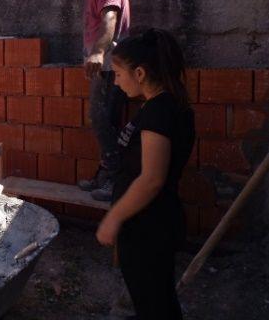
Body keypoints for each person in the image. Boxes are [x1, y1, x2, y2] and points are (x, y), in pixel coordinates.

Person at [96, 28, 195, 320]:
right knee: (154, 299)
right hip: (148, 224)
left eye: (118, 73)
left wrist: (113, 218)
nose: (116, 81)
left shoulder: (159, 113)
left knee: (155, 304)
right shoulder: (161, 106)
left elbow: (151, 179)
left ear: (139, 73)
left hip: (148, 228)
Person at [60, 0, 131, 201]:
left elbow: (110, 16)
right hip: (105, 66)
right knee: (106, 121)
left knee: (101, 119)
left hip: (111, 66)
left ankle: (114, 179)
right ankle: (106, 174)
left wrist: (99, 53)